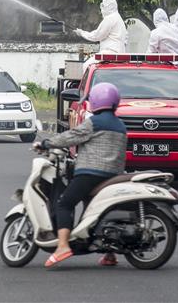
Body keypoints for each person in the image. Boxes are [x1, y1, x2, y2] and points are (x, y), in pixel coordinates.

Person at [33, 83, 127, 268]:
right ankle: (110, 254)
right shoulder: (120, 125)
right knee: (100, 213)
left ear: (96, 101)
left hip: (91, 174)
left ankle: (62, 246)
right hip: (113, 176)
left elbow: (71, 137)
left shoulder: (95, 122)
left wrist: (46, 143)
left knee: (64, 203)